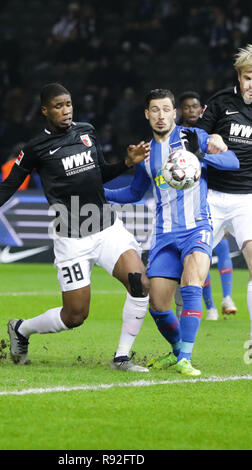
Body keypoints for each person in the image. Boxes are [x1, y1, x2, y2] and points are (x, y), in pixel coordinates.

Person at [0, 83, 152, 372]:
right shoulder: (36, 148)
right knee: (75, 316)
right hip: (71, 237)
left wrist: (125, 163)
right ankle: (22, 329)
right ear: (45, 110)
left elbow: (100, 174)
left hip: (106, 228)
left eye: (69, 104)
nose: (66, 111)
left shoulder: (86, 132)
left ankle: (121, 357)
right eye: (59, 106)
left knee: (139, 282)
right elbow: (9, 186)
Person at [104, 88, 239, 376]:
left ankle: (185, 359)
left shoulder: (193, 138)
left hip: (197, 229)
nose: (161, 115)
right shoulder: (147, 154)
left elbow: (233, 162)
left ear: (174, 113)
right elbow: (135, 193)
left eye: (166, 109)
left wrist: (202, 154)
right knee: (158, 305)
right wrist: (101, 193)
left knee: (192, 285)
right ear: (147, 114)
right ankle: (178, 351)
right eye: (155, 110)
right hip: (164, 236)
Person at [196, 44, 252, 356]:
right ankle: (180, 340)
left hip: (248, 198)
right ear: (239, 77)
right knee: (193, 270)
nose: (251, 84)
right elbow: (194, 138)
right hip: (214, 196)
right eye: (248, 77)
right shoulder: (221, 103)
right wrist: (209, 141)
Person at [178, 91, 237, 320]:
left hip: (211, 195)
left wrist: (204, 154)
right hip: (185, 202)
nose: (191, 111)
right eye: (187, 107)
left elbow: (231, 160)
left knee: (216, 248)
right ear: (180, 111)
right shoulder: (174, 135)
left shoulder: (209, 135)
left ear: (201, 109)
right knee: (197, 254)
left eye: (195, 107)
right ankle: (209, 304)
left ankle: (222, 300)